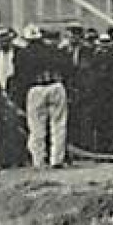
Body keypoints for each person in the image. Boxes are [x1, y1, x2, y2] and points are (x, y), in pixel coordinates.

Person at [15, 26, 72, 169]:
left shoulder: (23, 54)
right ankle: (57, 159)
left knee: (36, 127)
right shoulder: (53, 50)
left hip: (36, 88)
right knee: (58, 124)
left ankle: (38, 160)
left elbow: (20, 77)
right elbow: (67, 67)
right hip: (55, 85)